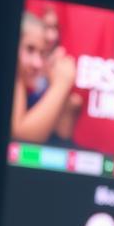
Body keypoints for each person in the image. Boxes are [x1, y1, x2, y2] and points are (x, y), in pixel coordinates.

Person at [11, 11, 79, 145]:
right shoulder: (17, 74)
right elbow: (21, 138)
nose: (38, 63)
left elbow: (63, 131)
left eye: (42, 53)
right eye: (30, 49)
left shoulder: (38, 79)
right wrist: (61, 84)